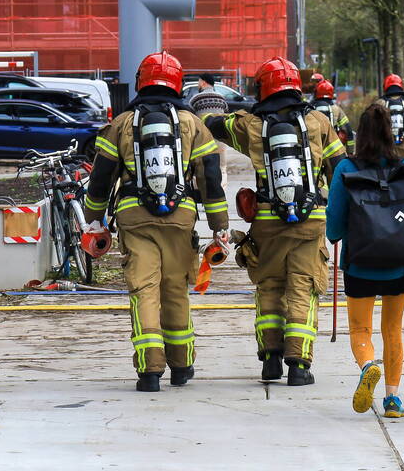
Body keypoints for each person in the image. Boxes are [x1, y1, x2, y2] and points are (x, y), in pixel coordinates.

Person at [83, 51, 229, 392]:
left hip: (134, 219)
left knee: (144, 290)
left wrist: (93, 219)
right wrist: (218, 224)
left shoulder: (121, 123)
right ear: (178, 83)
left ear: (140, 82)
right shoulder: (192, 124)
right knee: (175, 290)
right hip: (180, 218)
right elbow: (210, 178)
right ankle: (182, 366)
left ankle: (149, 372)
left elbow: (101, 179)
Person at [202, 57, 346, 386]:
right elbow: (340, 170)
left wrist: (206, 106)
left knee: (269, 286)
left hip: (267, 220)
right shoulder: (319, 122)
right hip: (311, 220)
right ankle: (299, 365)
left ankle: (270, 359)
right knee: (303, 288)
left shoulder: (249, 125)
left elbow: (214, 125)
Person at [326, 103, 404, 419]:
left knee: (360, 329)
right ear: (390, 133)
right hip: (398, 264)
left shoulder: (345, 170)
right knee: (393, 329)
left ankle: (367, 366)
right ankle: (393, 399)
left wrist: (336, 233)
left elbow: (335, 225)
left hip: (359, 265)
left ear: (360, 134)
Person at [189, 73, 229, 184]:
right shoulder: (222, 98)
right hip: (221, 140)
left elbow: (191, 120)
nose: (198, 84)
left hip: (203, 141)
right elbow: (226, 115)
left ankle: (202, 194)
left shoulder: (195, 99)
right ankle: (222, 192)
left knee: (201, 169)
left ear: (203, 82)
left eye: (198, 81)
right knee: (222, 169)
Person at [311, 80, 355, 155]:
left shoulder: (310, 109)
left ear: (316, 93)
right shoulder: (336, 109)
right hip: (333, 152)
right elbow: (348, 131)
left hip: (314, 151)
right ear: (331, 93)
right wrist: (350, 153)